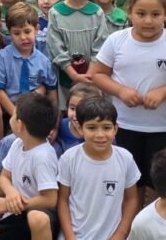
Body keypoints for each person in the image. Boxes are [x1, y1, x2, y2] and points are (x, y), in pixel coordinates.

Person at [91, 0, 166, 201]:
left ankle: (155, 228)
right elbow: (97, 74)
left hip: (165, 127)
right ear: (129, 12)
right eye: (141, 13)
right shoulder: (117, 40)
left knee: (159, 182)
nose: (148, 20)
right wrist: (121, 91)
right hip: (125, 125)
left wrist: (164, 92)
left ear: (165, 14)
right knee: (131, 183)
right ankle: (131, 225)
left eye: (155, 14)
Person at [57, 96, 140, 240]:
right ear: (80, 128)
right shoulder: (69, 159)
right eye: (92, 128)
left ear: (115, 129)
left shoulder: (125, 158)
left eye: (106, 127)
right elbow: (63, 200)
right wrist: (70, 236)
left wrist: (120, 234)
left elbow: (132, 199)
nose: (100, 135)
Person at [0, 92, 60, 240]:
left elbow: (50, 199)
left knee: (37, 218)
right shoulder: (18, 143)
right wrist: (10, 192)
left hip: (40, 213)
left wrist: (10, 205)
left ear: (19, 124)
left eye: (13, 115)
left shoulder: (42, 156)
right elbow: (4, 176)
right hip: (19, 211)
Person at [47, 0, 108, 106]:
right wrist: (73, 74)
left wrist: (89, 74)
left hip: (91, 75)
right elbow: (55, 46)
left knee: (89, 106)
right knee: (68, 108)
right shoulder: (56, 12)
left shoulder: (97, 12)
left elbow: (101, 44)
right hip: (65, 73)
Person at [0, 2, 58, 118]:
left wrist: (54, 122)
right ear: (10, 33)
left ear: (36, 30)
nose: (23, 37)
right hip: (9, 111)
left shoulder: (44, 61)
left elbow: (52, 92)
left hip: (36, 113)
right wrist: (15, 114)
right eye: (16, 33)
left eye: (27, 31)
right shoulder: (1, 58)